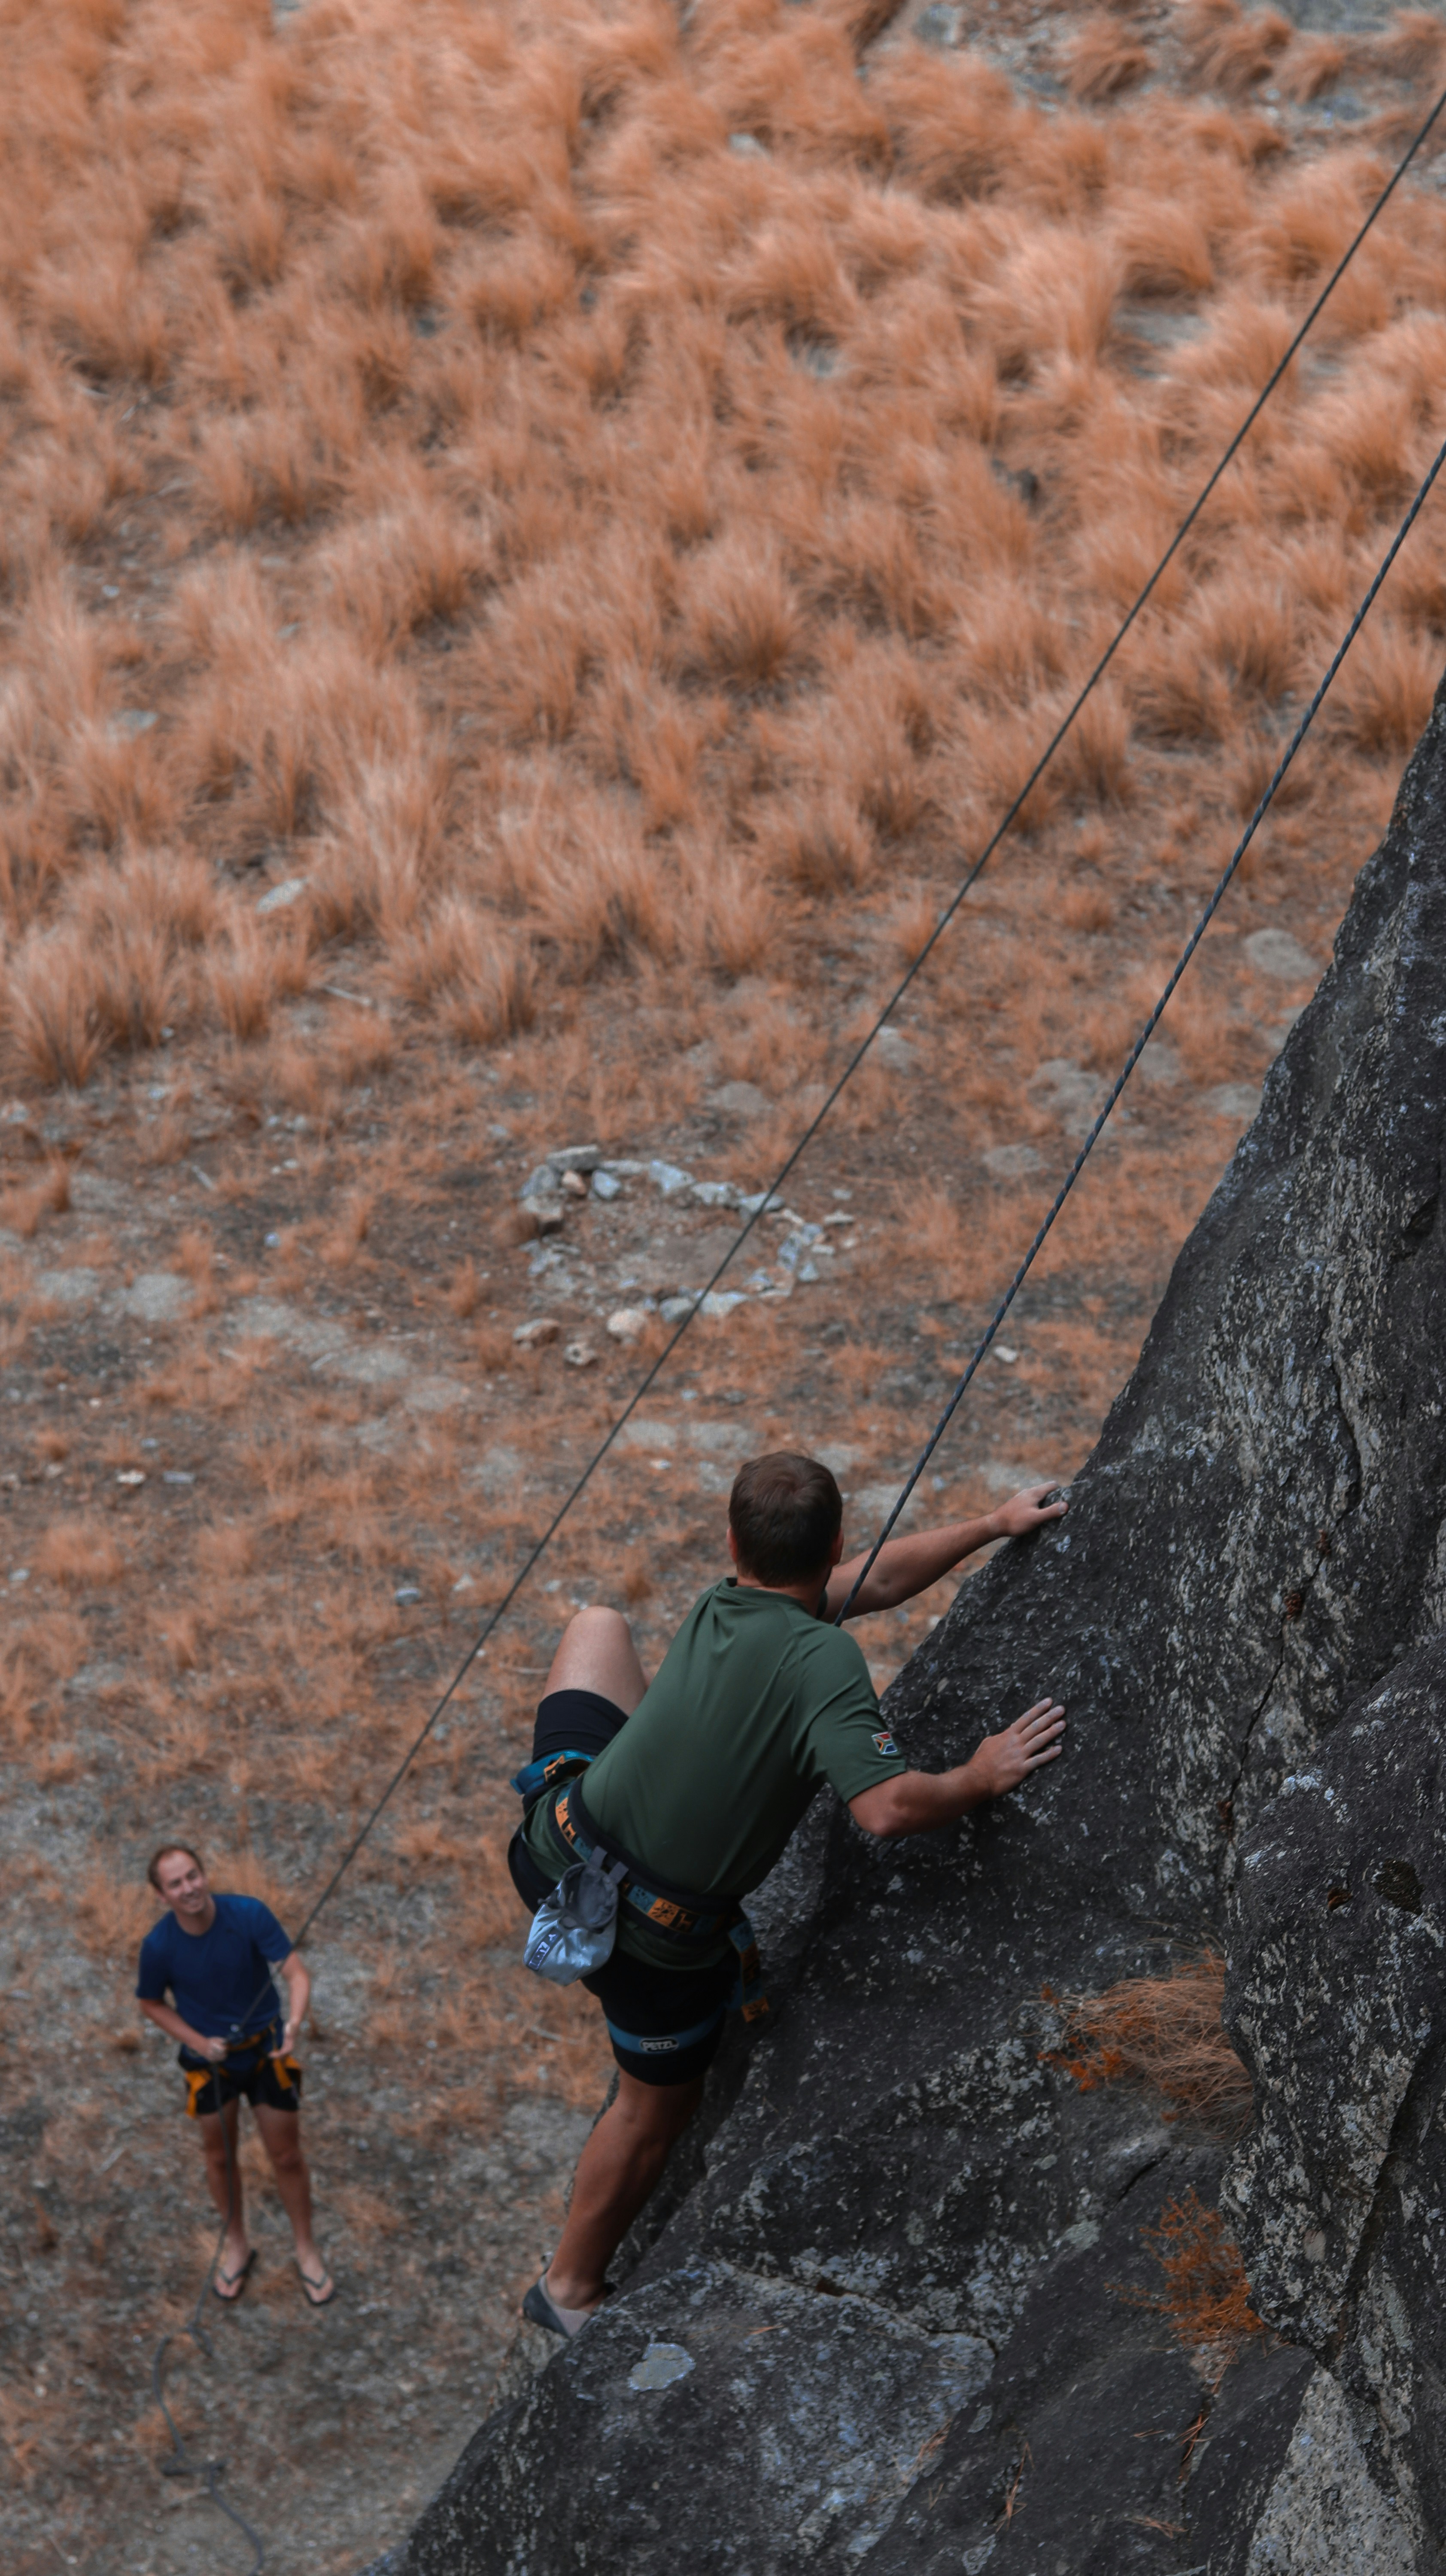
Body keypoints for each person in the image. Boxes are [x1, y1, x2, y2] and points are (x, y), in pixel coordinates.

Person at [508, 1451, 1066, 2336]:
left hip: (552, 1842)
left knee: (598, 1626)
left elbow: (873, 1582)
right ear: (834, 1541)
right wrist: (978, 1775)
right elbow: (885, 1808)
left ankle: (673, 1778)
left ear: (734, 1545)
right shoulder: (822, 1660)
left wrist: (992, 1526)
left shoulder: (721, 1602)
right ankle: (567, 2290)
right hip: (649, 1943)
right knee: (652, 2111)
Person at [136, 1844, 334, 2308]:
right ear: (162, 1895)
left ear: (204, 1874)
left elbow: (296, 1975)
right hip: (211, 2066)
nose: (189, 1888)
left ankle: (306, 2249)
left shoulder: (248, 1915)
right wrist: (197, 2041)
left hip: (266, 2051)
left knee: (286, 2156)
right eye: (176, 1884)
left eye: (193, 1875)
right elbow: (150, 2003)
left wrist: (294, 2022)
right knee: (220, 2159)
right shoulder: (159, 1946)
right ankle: (238, 2245)